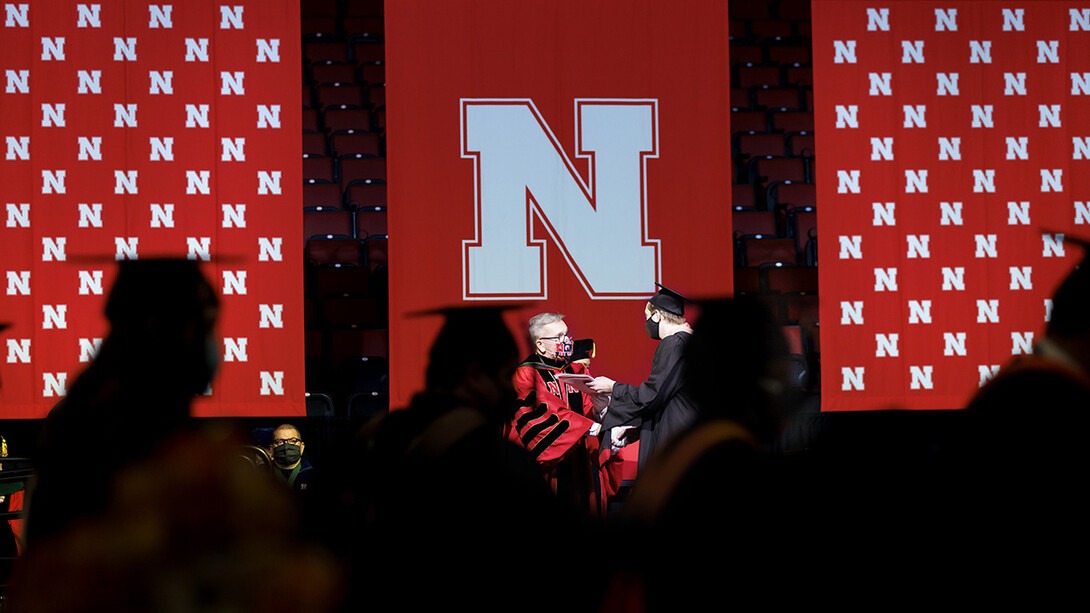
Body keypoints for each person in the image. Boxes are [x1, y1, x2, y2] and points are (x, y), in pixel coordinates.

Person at [509, 312, 618, 515]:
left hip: (583, 460)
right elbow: (546, 414)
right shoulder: (527, 374)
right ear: (540, 344)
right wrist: (593, 428)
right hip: (551, 467)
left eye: (567, 334)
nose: (566, 341)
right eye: (558, 337)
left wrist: (600, 408)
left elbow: (588, 407)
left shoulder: (576, 369)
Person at [590, 284, 698, 473]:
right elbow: (669, 398)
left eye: (647, 316)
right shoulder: (690, 343)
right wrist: (637, 429)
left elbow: (654, 394)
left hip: (675, 440)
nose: (646, 322)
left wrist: (613, 387)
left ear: (658, 315)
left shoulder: (674, 343)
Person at [268, 424, 314, 492]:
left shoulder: (313, 476)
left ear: (302, 447)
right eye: (279, 441)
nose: (286, 446)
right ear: (271, 449)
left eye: (293, 441)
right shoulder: (261, 474)